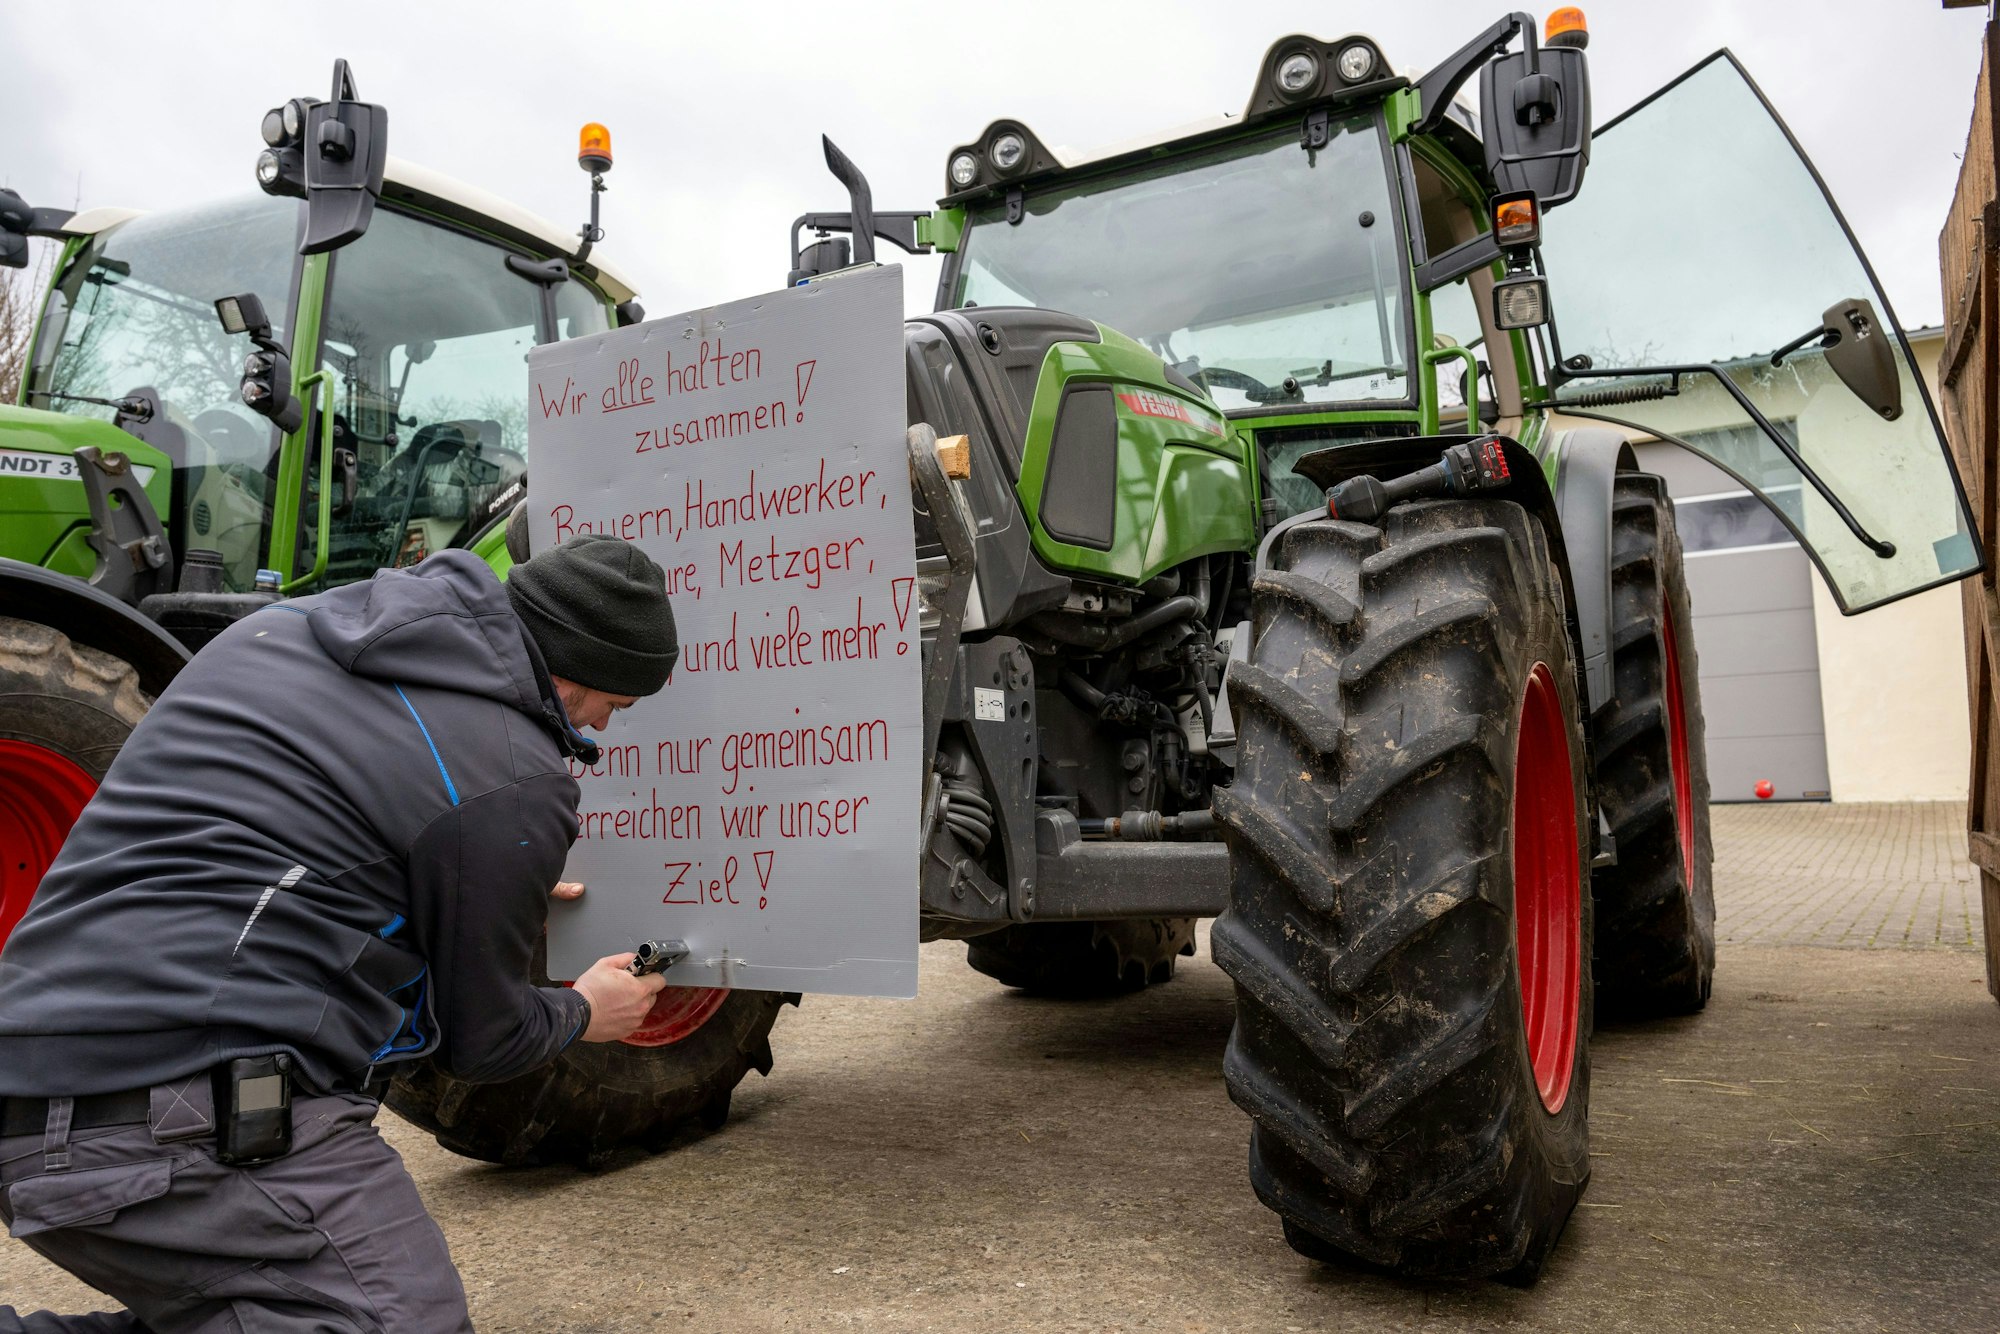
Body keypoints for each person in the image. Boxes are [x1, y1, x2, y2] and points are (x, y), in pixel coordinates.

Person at [0, 533, 679, 1332]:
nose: (606, 726)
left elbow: (297, 832)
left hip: (29, 1079)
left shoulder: (280, 633)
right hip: (175, 1115)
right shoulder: (515, 780)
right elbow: (484, 1042)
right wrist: (584, 1011)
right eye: (616, 706)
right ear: (574, 680)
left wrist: (478, 875)